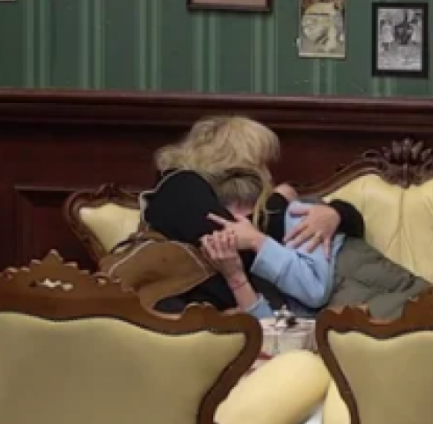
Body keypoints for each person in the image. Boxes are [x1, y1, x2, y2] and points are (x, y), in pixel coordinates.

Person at [139, 115, 365, 314]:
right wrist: (277, 204)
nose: (268, 175)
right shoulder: (181, 187)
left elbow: (311, 289)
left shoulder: (298, 215)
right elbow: (232, 237)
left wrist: (337, 213)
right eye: (261, 164)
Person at [202, 167, 430, 320]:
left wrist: (256, 240)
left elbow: (315, 290)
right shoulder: (238, 258)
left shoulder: (300, 216)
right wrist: (236, 278)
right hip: (361, 332)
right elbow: (271, 333)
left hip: (409, 305)